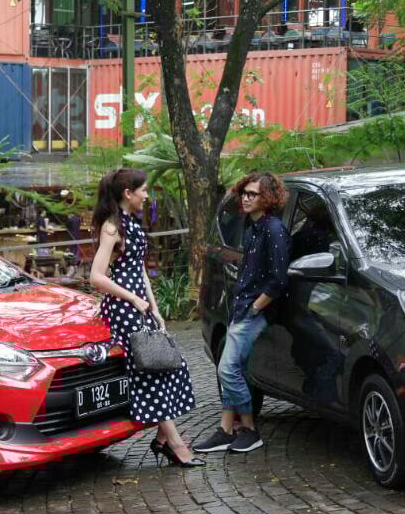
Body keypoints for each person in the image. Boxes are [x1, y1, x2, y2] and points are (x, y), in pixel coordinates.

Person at [89, 168, 204, 467]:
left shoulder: (132, 224)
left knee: (169, 365)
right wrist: (134, 299)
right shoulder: (112, 227)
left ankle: (164, 440)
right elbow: (96, 277)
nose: (147, 194)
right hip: (125, 310)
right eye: (143, 190)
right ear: (128, 193)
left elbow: (140, 270)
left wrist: (155, 308)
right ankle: (176, 445)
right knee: (149, 372)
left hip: (140, 308)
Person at [193, 171, 290, 455]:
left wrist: (255, 308)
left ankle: (249, 429)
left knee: (227, 369)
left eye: (253, 194)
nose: (246, 198)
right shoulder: (251, 228)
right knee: (230, 368)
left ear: (268, 198)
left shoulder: (274, 230)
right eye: (244, 193)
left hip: (255, 310)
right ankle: (226, 429)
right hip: (242, 306)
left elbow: (278, 280)